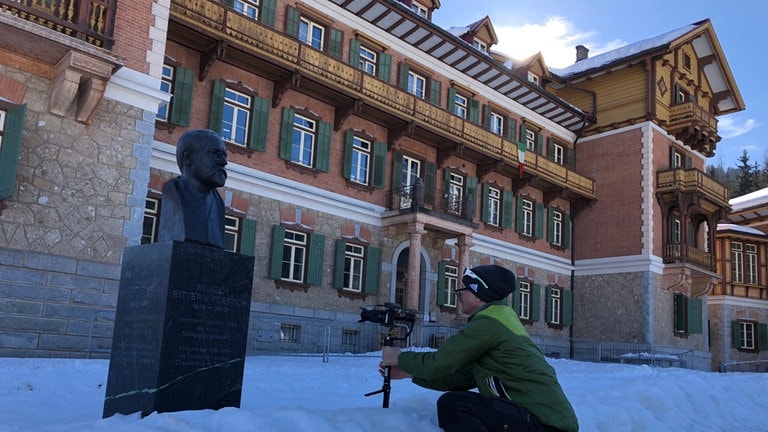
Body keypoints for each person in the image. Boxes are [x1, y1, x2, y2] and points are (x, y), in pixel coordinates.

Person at [380, 264, 579, 432]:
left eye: (463, 290)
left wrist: (400, 356)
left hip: (544, 423)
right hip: (544, 420)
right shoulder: (499, 319)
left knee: (455, 405)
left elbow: (439, 364)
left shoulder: (488, 324)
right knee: (456, 402)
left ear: (479, 294)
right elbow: (461, 378)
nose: (458, 295)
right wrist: (409, 373)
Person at [158, 129, 228, 249]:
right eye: (213, 153)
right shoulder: (174, 191)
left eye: (224, 155)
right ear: (188, 157)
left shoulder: (218, 203)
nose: (224, 162)